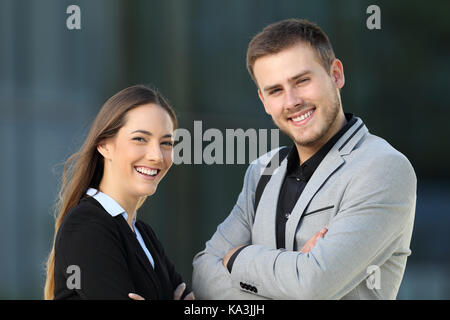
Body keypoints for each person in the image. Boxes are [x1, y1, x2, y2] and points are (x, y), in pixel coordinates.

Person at [192, 18, 416, 299]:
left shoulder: (382, 168)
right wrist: (296, 268)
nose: (292, 101)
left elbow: (312, 285)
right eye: (275, 90)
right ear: (264, 101)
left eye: (302, 81)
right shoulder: (264, 169)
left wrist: (237, 258)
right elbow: (203, 272)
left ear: (335, 74)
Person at [44, 85, 194, 300]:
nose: (157, 156)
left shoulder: (144, 235)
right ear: (105, 145)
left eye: (166, 143)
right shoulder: (86, 225)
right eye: (140, 139)